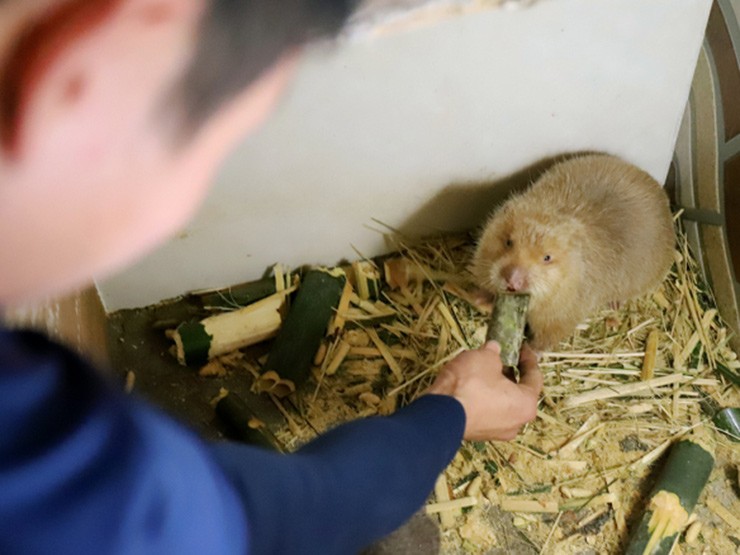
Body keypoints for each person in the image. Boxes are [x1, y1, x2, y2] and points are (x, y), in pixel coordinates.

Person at [0, 1, 543, 553]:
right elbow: (294, 507)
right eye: (216, 147)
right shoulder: (67, 487)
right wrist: (452, 409)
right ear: (80, 81)